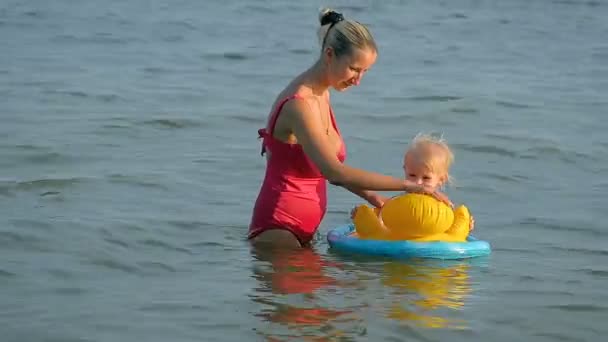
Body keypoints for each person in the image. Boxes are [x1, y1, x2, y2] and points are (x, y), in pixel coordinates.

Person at [248, 8, 450, 248]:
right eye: (354, 69)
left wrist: (377, 200)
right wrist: (410, 185)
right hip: (279, 228)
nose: (358, 79)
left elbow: (332, 171)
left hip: (303, 232)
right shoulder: (298, 105)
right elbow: (333, 172)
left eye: (365, 71)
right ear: (330, 54)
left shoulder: (321, 95)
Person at [352, 133, 475, 231]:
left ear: (441, 180)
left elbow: (451, 227)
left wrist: (466, 226)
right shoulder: (399, 201)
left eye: (426, 178)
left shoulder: (444, 205)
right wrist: (363, 216)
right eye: (412, 175)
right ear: (405, 170)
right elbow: (383, 211)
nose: (418, 183)